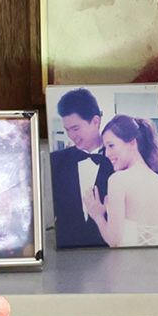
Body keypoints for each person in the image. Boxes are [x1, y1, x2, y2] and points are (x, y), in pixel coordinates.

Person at [80, 114, 158, 247]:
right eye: (105, 148)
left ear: (132, 143)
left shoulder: (118, 180)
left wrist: (98, 216)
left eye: (111, 146)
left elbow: (114, 241)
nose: (107, 154)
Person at [48, 88, 113, 249]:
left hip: (110, 251)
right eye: (67, 130)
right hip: (65, 253)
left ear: (96, 121)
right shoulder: (54, 161)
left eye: (76, 128)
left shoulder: (116, 160)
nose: (71, 135)